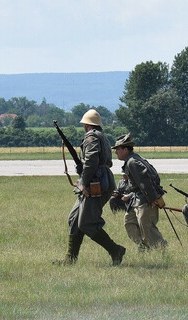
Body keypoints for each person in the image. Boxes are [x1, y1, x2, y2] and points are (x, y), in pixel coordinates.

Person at [54, 109, 125, 266]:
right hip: (96, 180)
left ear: (86, 125)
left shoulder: (91, 137)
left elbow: (91, 160)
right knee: (74, 219)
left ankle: (116, 250)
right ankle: (70, 258)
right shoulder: (101, 136)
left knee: (87, 223)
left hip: (96, 183)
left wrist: (84, 183)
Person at [112, 133, 167, 251]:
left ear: (125, 149)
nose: (115, 152)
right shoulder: (132, 160)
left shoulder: (133, 162)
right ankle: (144, 247)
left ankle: (162, 249)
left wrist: (153, 199)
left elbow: (145, 183)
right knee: (129, 223)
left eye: (118, 149)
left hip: (145, 200)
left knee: (147, 227)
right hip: (136, 199)